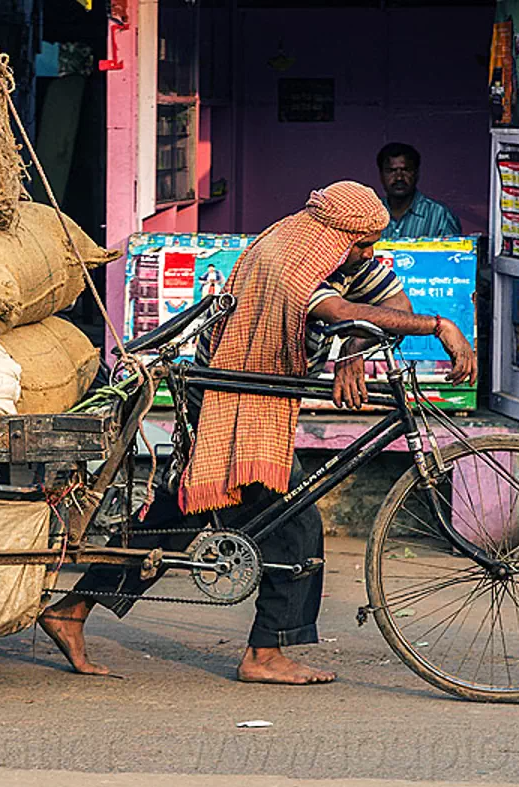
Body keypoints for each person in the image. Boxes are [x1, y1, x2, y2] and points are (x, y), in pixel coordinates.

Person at [39, 181, 477, 685]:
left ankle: (73, 609)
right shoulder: (293, 260)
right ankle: (265, 652)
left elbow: (388, 301)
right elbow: (335, 311)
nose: (369, 253)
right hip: (234, 396)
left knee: (188, 506)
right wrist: (440, 325)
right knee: (293, 519)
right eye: (362, 244)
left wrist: (354, 354)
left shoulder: (340, 250)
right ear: (337, 235)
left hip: (261, 392)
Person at [376, 142, 461, 239]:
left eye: (406, 170)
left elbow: (453, 253)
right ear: (381, 175)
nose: (399, 177)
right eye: (391, 171)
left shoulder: (440, 215)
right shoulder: (370, 214)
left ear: (416, 174)